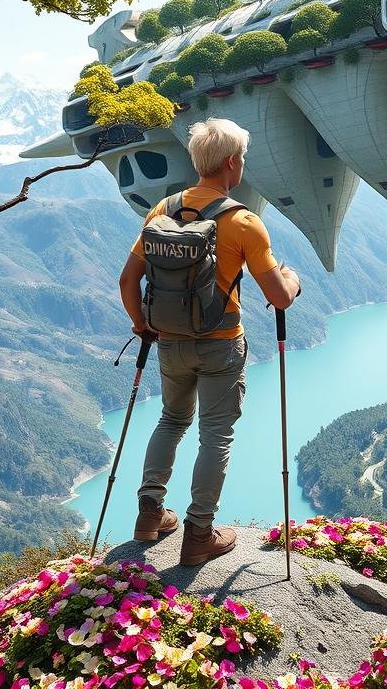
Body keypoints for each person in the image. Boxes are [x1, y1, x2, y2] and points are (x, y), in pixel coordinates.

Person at [118, 118, 301, 565]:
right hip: (220, 345)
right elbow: (277, 296)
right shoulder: (243, 221)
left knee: (171, 421)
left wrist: (143, 325)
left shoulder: (161, 211)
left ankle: (150, 516)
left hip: (170, 342)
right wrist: (293, 282)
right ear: (231, 163)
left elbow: (128, 280)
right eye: (242, 159)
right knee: (215, 435)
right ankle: (200, 534)